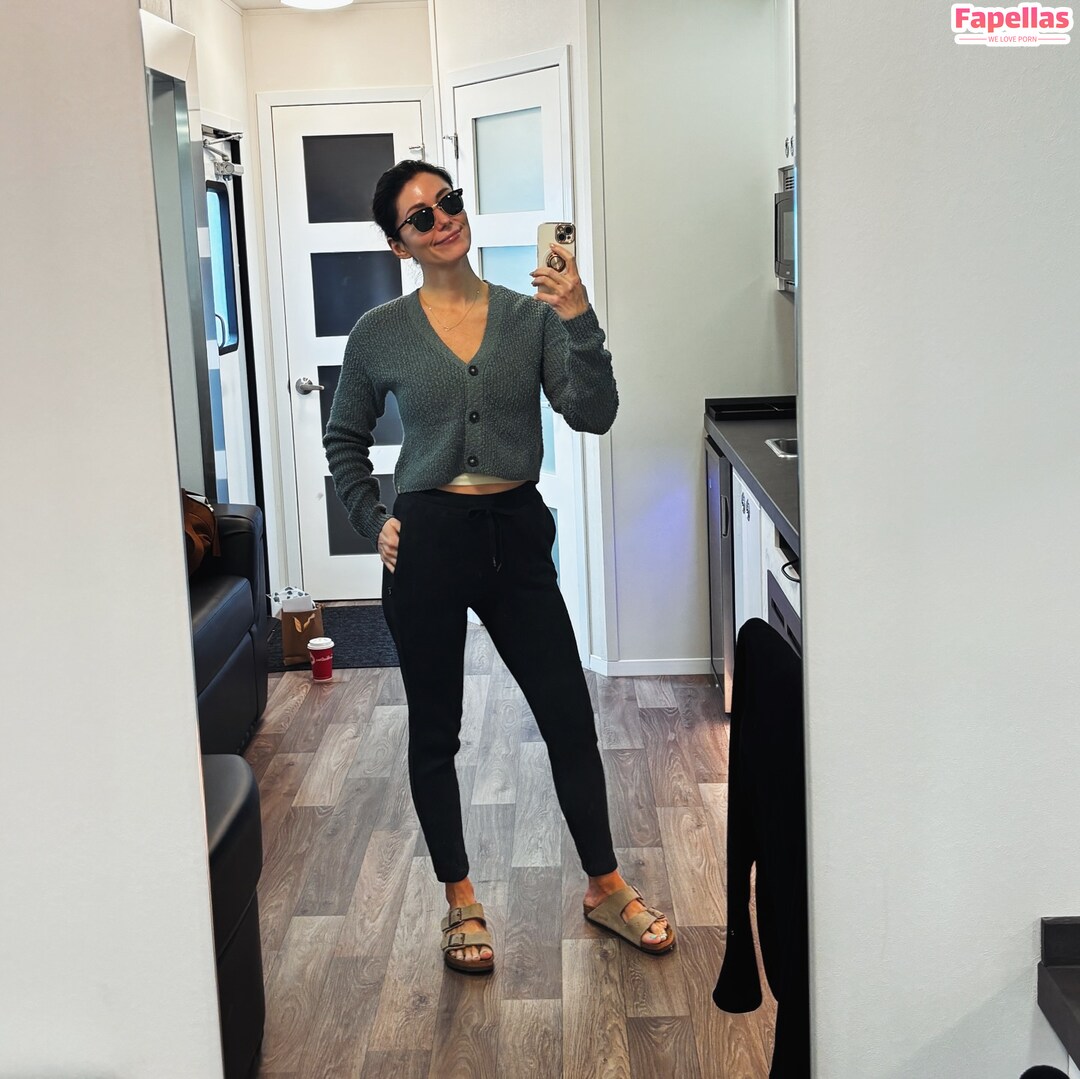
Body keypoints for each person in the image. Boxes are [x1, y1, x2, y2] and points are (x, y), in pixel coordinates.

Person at [324, 159, 674, 973]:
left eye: (448, 201)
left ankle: (605, 885)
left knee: (567, 714)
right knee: (435, 727)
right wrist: (374, 519)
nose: (442, 219)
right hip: (428, 539)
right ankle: (460, 897)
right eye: (420, 216)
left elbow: (593, 413)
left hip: (515, 532)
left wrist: (579, 317)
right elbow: (345, 437)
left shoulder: (530, 317)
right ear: (399, 244)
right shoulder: (379, 332)